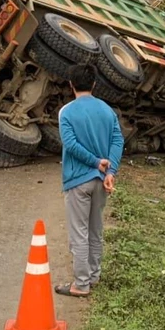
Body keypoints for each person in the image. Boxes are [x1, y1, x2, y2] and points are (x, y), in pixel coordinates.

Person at [56, 63, 124, 298]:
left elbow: (70, 144)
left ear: (71, 84)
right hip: (102, 181)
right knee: (95, 229)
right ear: (94, 84)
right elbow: (117, 140)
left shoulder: (67, 112)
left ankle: (81, 284)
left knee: (79, 232)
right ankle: (93, 275)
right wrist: (110, 170)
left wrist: (95, 162)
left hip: (78, 180)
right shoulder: (107, 110)